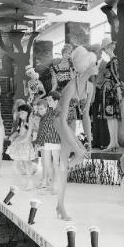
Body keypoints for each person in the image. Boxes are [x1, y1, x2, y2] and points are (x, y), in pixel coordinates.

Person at [53, 46, 97, 220]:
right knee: (79, 152)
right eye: (94, 63)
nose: (96, 66)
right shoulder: (71, 87)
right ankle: (62, 170)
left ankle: (59, 205)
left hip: (71, 122)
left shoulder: (90, 87)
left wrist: (89, 138)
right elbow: (61, 118)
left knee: (76, 156)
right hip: (59, 121)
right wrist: (77, 144)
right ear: (86, 65)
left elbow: (85, 115)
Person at [98, 38, 122, 151]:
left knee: (110, 117)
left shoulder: (113, 60)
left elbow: (116, 76)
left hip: (109, 90)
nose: (105, 50)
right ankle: (114, 142)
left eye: (106, 48)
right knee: (112, 118)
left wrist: (118, 90)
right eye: (105, 48)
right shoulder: (113, 60)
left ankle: (113, 142)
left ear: (109, 47)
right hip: (110, 89)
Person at [33, 92, 61, 191]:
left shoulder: (60, 111)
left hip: (56, 141)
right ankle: (50, 183)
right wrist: (39, 142)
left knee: (55, 164)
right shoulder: (48, 113)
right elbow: (44, 129)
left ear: (55, 101)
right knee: (47, 163)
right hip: (47, 141)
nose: (48, 102)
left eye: (49, 100)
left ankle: (54, 184)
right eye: (48, 100)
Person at [7, 104, 37, 190]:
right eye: (20, 113)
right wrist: (13, 136)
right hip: (19, 143)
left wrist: (20, 141)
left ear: (28, 112)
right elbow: (18, 131)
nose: (21, 115)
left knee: (27, 163)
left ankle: (29, 182)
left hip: (25, 143)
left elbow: (28, 135)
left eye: (23, 113)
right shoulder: (21, 121)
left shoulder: (30, 121)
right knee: (16, 165)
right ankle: (25, 179)